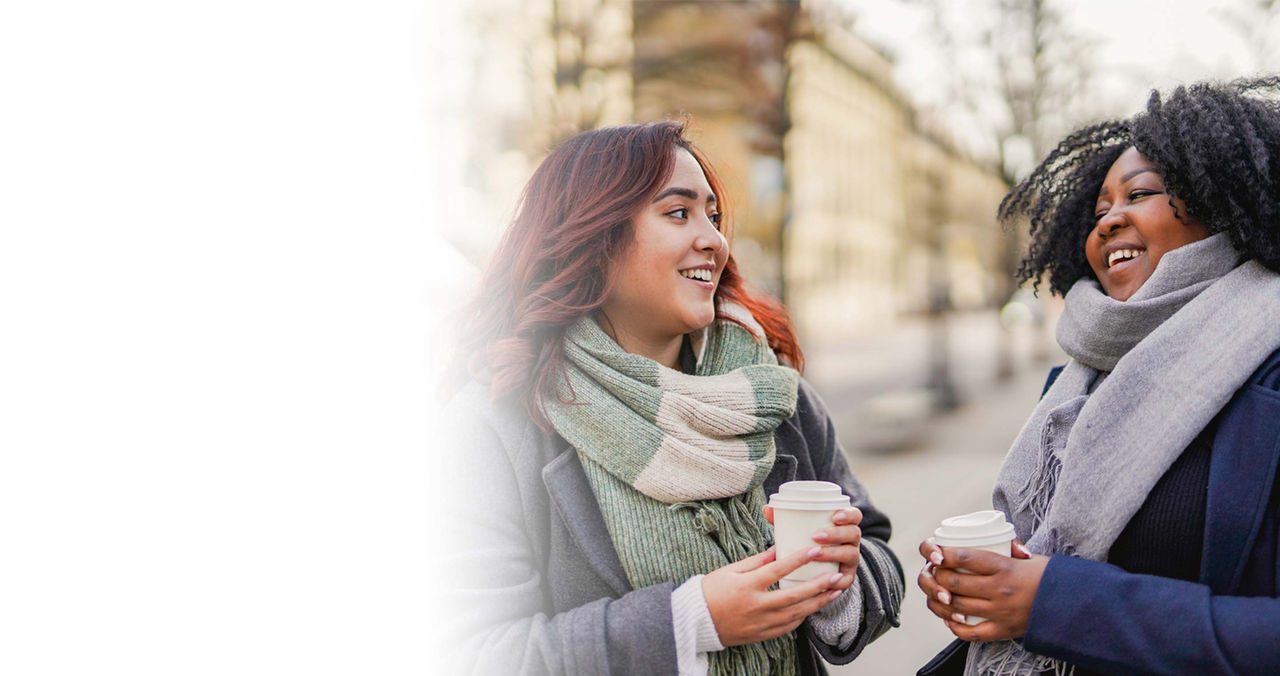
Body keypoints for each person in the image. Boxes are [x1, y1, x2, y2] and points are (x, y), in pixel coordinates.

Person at [437, 121, 904, 676]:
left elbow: (875, 544)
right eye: (678, 213)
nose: (713, 239)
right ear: (593, 238)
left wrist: (835, 584)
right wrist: (689, 622)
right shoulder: (495, 425)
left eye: (713, 215)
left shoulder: (772, 393)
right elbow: (474, 654)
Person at [916, 76, 1280, 676]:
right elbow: (1046, 555)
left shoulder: (1270, 377)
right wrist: (989, 586)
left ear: (1221, 202)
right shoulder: (1075, 384)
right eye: (1099, 210)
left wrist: (1052, 604)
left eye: (1139, 194)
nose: (1108, 222)